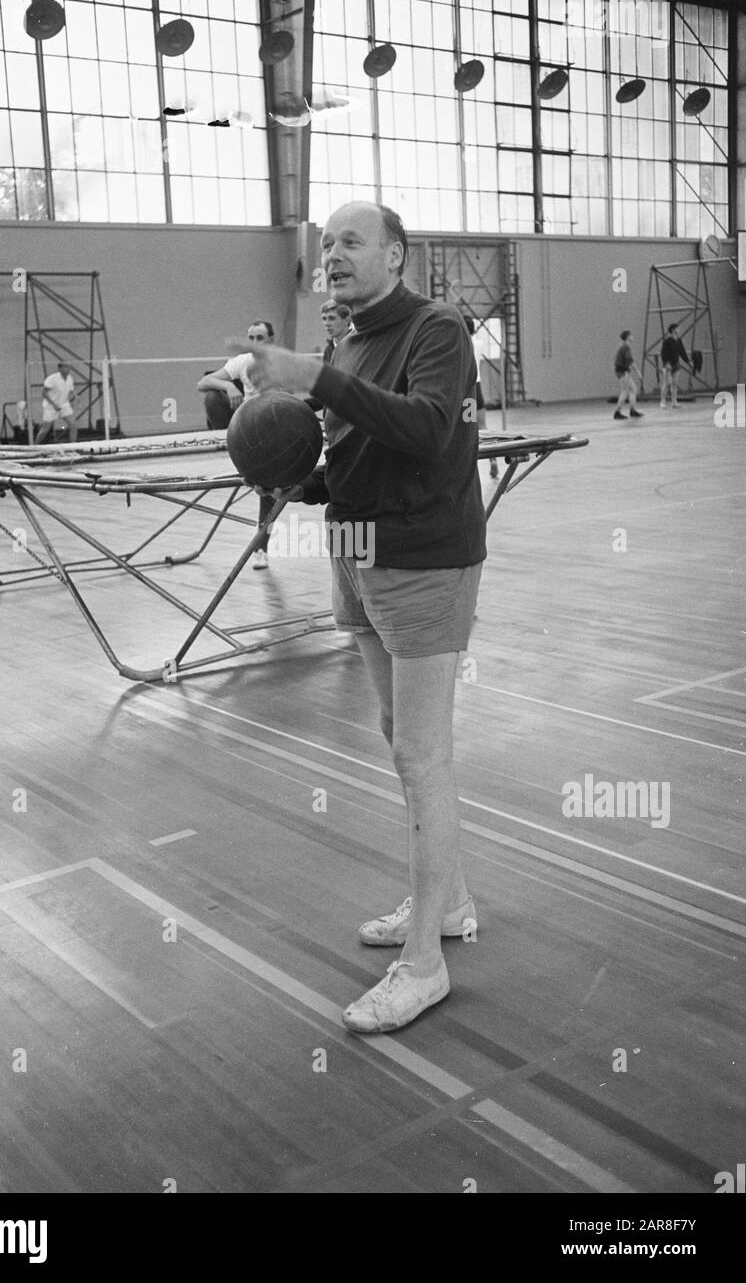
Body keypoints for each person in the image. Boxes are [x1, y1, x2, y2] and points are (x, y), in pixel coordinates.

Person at [235, 202, 486, 1034]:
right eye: (325, 245)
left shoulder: (437, 328)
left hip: (424, 558)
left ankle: (425, 964)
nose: (332, 255)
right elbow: (347, 457)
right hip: (357, 550)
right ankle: (443, 902)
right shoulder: (346, 338)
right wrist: (280, 469)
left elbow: (421, 430)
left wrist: (311, 378)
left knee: (423, 753)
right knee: (394, 734)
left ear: (395, 254)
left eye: (350, 242)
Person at [197, 322, 276, 569]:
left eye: (260, 337)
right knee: (212, 395)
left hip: (274, 426)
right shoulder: (242, 361)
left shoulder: (283, 362)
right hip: (245, 426)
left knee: (268, 486)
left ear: (271, 340)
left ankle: (261, 548)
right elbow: (203, 382)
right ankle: (225, 448)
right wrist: (229, 385)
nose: (254, 341)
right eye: (250, 337)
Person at [465, 315, 499, 478]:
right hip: (478, 389)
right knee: (483, 426)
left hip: (467, 392)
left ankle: (469, 467)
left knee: (467, 429)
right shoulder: (478, 343)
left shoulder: (461, 344)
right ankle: (493, 459)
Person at [36, 360, 76, 443]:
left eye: (69, 367)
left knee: (73, 425)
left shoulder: (70, 378)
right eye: (65, 367)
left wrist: (75, 396)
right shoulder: (52, 378)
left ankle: (73, 447)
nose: (68, 369)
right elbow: (44, 393)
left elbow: (71, 390)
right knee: (45, 430)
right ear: (59, 368)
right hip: (51, 406)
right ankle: (34, 446)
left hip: (64, 405)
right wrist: (54, 405)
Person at [613, 330, 643, 419]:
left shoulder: (623, 346)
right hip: (622, 371)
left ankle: (632, 410)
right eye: (631, 335)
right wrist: (638, 371)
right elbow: (630, 361)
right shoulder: (626, 347)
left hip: (622, 370)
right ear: (627, 337)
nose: (633, 337)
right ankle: (617, 412)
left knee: (633, 389)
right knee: (625, 391)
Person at [659, 323, 686, 408]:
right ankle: (663, 402)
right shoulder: (667, 341)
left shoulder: (679, 340)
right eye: (678, 328)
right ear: (673, 330)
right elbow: (663, 353)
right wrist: (666, 363)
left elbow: (682, 352)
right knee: (667, 383)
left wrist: (688, 361)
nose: (679, 330)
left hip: (676, 364)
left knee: (674, 383)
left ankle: (674, 401)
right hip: (668, 365)